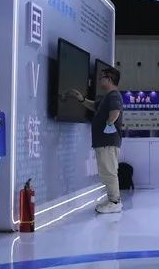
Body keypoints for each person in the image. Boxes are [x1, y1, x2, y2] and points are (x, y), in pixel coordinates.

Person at [65, 66, 124, 213]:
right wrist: (82, 99)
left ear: (109, 79)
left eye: (102, 77)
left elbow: (115, 112)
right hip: (103, 142)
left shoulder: (114, 96)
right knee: (106, 172)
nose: (100, 79)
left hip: (108, 142)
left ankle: (115, 202)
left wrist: (109, 123)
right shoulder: (107, 97)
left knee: (109, 172)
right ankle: (112, 199)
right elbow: (94, 106)